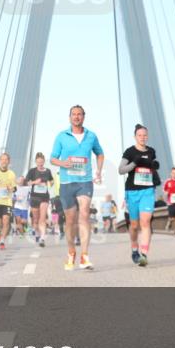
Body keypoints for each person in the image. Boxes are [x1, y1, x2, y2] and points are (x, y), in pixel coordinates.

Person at [49, 105, 104, 270]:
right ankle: (71, 251)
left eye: (79, 114)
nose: (77, 117)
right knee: (70, 220)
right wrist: (63, 163)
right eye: (74, 114)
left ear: (83, 117)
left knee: (85, 215)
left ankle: (84, 256)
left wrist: (98, 171)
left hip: (85, 182)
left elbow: (100, 154)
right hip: (67, 182)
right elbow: (52, 158)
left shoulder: (91, 136)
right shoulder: (61, 136)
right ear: (70, 117)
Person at [119, 124, 161, 266]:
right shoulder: (129, 152)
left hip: (147, 191)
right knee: (134, 225)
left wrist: (153, 166)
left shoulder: (151, 151)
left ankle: (144, 254)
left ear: (147, 136)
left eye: (145, 135)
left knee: (145, 221)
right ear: (135, 137)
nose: (142, 137)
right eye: (140, 135)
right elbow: (121, 170)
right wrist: (134, 163)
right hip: (132, 191)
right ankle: (134, 249)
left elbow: (151, 167)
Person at [23, 152, 54, 247]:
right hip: (34, 197)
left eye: (41, 162)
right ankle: (37, 233)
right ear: (36, 162)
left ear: (44, 162)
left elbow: (51, 180)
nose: (40, 164)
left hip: (44, 196)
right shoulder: (32, 171)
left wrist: (51, 183)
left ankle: (42, 238)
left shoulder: (48, 171)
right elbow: (26, 182)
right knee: (36, 220)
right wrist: (34, 182)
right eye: (38, 162)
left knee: (42, 218)